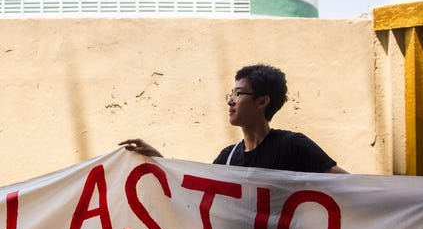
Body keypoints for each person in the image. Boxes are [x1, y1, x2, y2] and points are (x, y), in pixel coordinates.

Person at [120, 64, 347, 174]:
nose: (230, 101)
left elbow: (350, 186)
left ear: (262, 102)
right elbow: (195, 195)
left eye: (238, 94)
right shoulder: (227, 158)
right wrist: (159, 161)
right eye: (231, 94)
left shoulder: (293, 147)